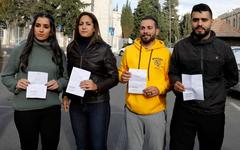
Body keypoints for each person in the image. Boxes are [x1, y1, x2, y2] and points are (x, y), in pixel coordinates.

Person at [169, 3, 239, 150]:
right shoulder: (180, 47)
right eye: (195, 20)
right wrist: (175, 82)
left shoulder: (223, 48)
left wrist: (217, 90)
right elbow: (173, 72)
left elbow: (233, 76)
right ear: (191, 22)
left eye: (204, 20)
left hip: (213, 113)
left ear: (211, 21)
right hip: (184, 111)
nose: (199, 23)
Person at [1, 12, 68, 150]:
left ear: (51, 30)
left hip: (51, 109)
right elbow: (6, 76)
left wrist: (59, 83)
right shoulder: (20, 50)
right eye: (37, 25)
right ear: (33, 28)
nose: (41, 29)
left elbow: (65, 78)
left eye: (45, 26)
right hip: (25, 110)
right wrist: (16, 84)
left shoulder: (58, 52)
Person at [63, 12, 119, 150]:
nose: (84, 27)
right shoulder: (71, 47)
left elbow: (114, 77)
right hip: (76, 104)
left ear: (94, 28)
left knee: (97, 146)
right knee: (81, 146)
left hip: (98, 104)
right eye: (81, 24)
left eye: (88, 24)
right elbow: (69, 73)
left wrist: (97, 86)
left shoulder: (104, 49)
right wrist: (66, 94)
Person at [118, 15, 171, 150]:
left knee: (156, 147)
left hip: (156, 111)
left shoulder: (165, 53)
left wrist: (159, 89)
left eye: (149, 28)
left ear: (156, 31)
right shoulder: (129, 51)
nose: (145, 31)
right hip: (132, 111)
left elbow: (170, 79)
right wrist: (122, 77)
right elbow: (121, 71)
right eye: (142, 28)